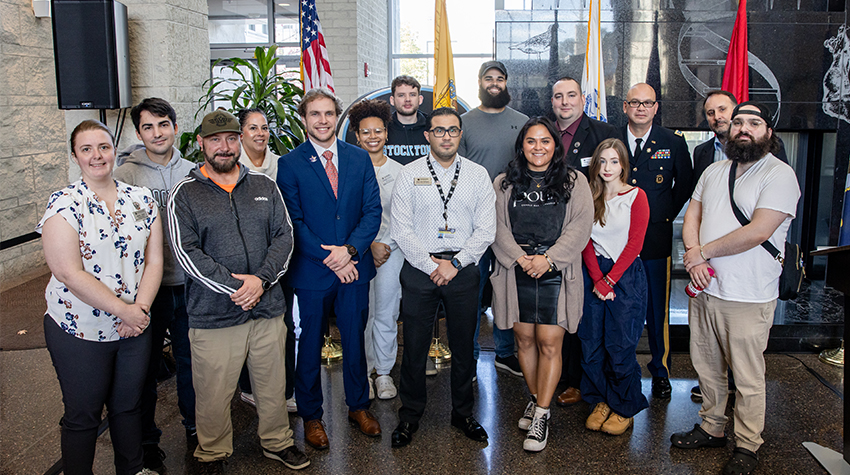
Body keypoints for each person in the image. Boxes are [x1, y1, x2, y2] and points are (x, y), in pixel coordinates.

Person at [168, 110, 309, 473]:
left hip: (266, 310)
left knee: (272, 386)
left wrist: (260, 281)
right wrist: (237, 288)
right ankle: (213, 451)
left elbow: (284, 236)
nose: (224, 146)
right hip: (214, 315)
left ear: (240, 141)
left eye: (231, 138)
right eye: (215, 139)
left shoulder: (264, 185)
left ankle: (278, 443)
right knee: (213, 394)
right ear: (201, 143)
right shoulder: (184, 194)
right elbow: (187, 252)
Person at [671, 102, 800, 475]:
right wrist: (696, 258)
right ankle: (712, 427)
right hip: (707, 289)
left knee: (746, 375)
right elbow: (692, 213)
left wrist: (700, 255)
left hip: (748, 293)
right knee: (707, 367)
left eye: (754, 123)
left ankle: (747, 443)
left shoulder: (779, 174)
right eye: (739, 122)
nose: (744, 128)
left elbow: (759, 230)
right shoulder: (714, 171)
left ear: (767, 133)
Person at [38, 119, 163, 475]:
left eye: (103, 147)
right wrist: (124, 310)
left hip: (134, 325)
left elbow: (155, 259)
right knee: (84, 414)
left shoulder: (140, 198)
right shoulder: (64, 204)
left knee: (128, 406)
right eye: (87, 149)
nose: (97, 156)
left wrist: (138, 311)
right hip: (79, 328)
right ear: (76, 156)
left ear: (114, 150)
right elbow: (67, 272)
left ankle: (133, 469)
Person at [277, 88, 383, 450]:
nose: (322, 120)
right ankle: (311, 416)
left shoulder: (359, 158)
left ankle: (358, 406)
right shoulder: (289, 164)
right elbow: (294, 222)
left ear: (336, 117)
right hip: (312, 272)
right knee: (308, 344)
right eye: (314, 114)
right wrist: (332, 258)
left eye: (328, 113)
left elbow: (372, 212)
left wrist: (350, 251)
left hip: (354, 267)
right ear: (304, 120)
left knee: (354, 338)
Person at [390, 107, 496, 448]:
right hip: (420, 270)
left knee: (465, 347)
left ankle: (463, 413)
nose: (446, 136)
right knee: (415, 347)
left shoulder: (478, 175)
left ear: (460, 134)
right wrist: (430, 265)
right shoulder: (409, 174)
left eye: (452, 130)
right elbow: (401, 229)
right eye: (439, 130)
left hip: (463, 270)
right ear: (427, 135)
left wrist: (457, 263)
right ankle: (409, 416)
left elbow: (486, 229)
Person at [490, 117, 593, 451]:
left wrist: (547, 260)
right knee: (523, 339)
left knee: (549, 341)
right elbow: (496, 226)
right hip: (516, 268)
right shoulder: (504, 183)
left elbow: (580, 227)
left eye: (545, 141)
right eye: (531, 141)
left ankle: (543, 415)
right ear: (522, 145)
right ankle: (536, 399)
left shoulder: (575, 181)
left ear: (555, 145)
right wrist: (521, 258)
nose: (538, 147)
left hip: (556, 270)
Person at [113, 98, 196, 471]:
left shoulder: (194, 172)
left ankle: (196, 431)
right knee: (144, 369)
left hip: (192, 285)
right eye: (148, 127)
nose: (157, 133)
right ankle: (147, 442)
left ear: (175, 127)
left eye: (163, 124)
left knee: (192, 364)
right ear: (138, 132)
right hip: (149, 290)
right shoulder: (125, 177)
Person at [549, 76, 621, 407]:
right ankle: (558, 375)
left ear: (582, 99)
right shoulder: (544, 135)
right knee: (556, 309)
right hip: (549, 235)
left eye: (571, 95)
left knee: (579, 312)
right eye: (558, 96)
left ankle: (578, 381)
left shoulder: (603, 135)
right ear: (552, 102)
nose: (565, 102)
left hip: (588, 234)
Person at [621, 83, 694, 399]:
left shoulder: (672, 142)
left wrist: (662, 213)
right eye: (635, 102)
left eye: (647, 103)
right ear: (625, 107)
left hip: (655, 237)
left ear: (655, 107)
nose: (640, 108)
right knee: (620, 304)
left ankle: (660, 370)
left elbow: (685, 184)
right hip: (617, 238)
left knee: (657, 309)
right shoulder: (611, 139)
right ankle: (620, 366)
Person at [459, 60, 528, 377]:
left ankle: (504, 352)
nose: (495, 83)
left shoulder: (522, 122)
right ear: (479, 82)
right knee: (472, 290)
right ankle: (469, 355)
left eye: (500, 78)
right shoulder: (464, 122)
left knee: (504, 288)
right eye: (489, 78)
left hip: (510, 222)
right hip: (472, 221)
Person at [579, 138, 650, 437]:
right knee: (591, 343)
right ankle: (602, 399)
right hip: (594, 273)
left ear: (623, 165)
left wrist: (610, 280)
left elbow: (635, 243)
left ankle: (624, 405)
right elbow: (583, 240)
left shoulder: (636, 196)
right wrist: (597, 278)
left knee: (620, 346)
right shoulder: (588, 196)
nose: (608, 168)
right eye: (603, 161)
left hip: (625, 275)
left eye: (614, 161)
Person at [234, 108, 298, 415]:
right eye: (253, 128)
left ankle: (286, 390)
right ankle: (248, 388)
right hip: (243, 262)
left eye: (264, 128)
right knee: (246, 327)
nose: (260, 133)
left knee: (282, 327)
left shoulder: (281, 165)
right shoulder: (231, 166)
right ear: (241, 134)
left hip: (278, 259)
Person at [347, 99, 404, 399]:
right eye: (366, 132)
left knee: (386, 312)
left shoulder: (400, 172)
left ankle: (383, 373)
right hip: (357, 252)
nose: (372, 137)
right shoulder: (347, 169)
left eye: (378, 131)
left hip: (392, 252)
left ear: (386, 134)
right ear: (356, 135)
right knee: (361, 315)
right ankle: (364, 373)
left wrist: (387, 244)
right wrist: (368, 243)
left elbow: (405, 216)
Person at [385, 75, 431, 165]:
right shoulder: (383, 127)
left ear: (420, 99)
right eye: (401, 95)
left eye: (412, 95)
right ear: (392, 100)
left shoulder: (432, 125)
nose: (407, 100)